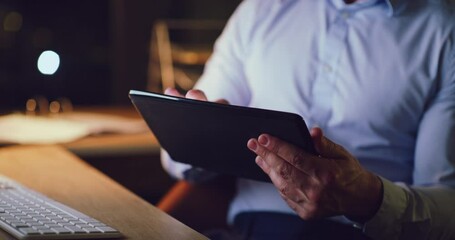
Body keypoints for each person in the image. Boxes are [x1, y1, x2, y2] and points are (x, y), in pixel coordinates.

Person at [161, 0, 455, 239]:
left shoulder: (444, 30)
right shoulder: (259, 10)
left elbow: (448, 204)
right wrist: (195, 135)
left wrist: (369, 199)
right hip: (249, 230)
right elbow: (174, 158)